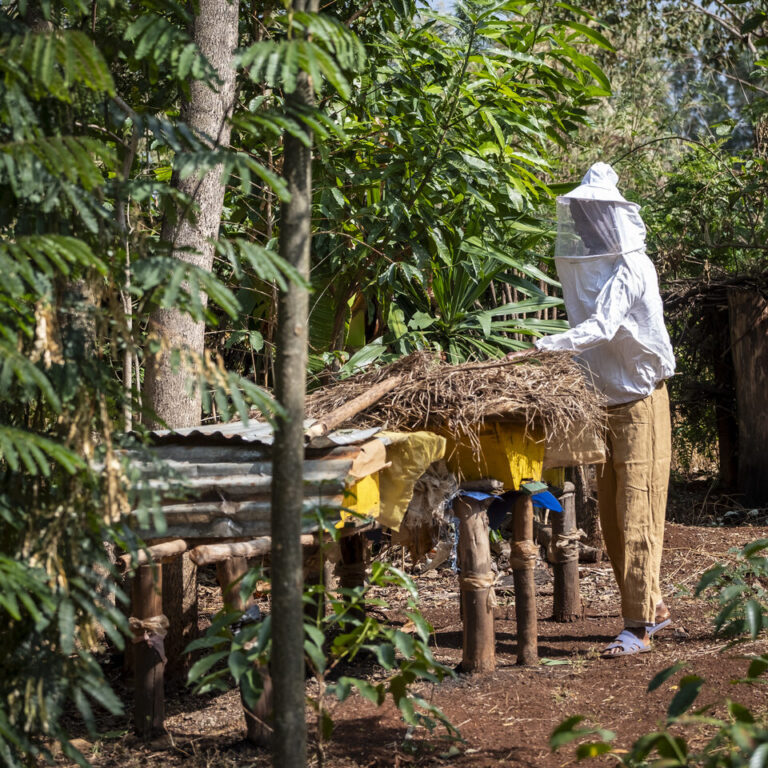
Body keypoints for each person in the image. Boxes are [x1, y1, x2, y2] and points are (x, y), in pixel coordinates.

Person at [508, 162, 675, 656]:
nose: (583, 224)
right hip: (606, 405)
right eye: (578, 214)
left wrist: (544, 347)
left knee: (638, 511)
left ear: (611, 218)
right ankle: (654, 607)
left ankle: (639, 627)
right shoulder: (599, 270)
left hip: (642, 404)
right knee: (613, 519)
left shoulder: (631, 267)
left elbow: (601, 328)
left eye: (591, 214)